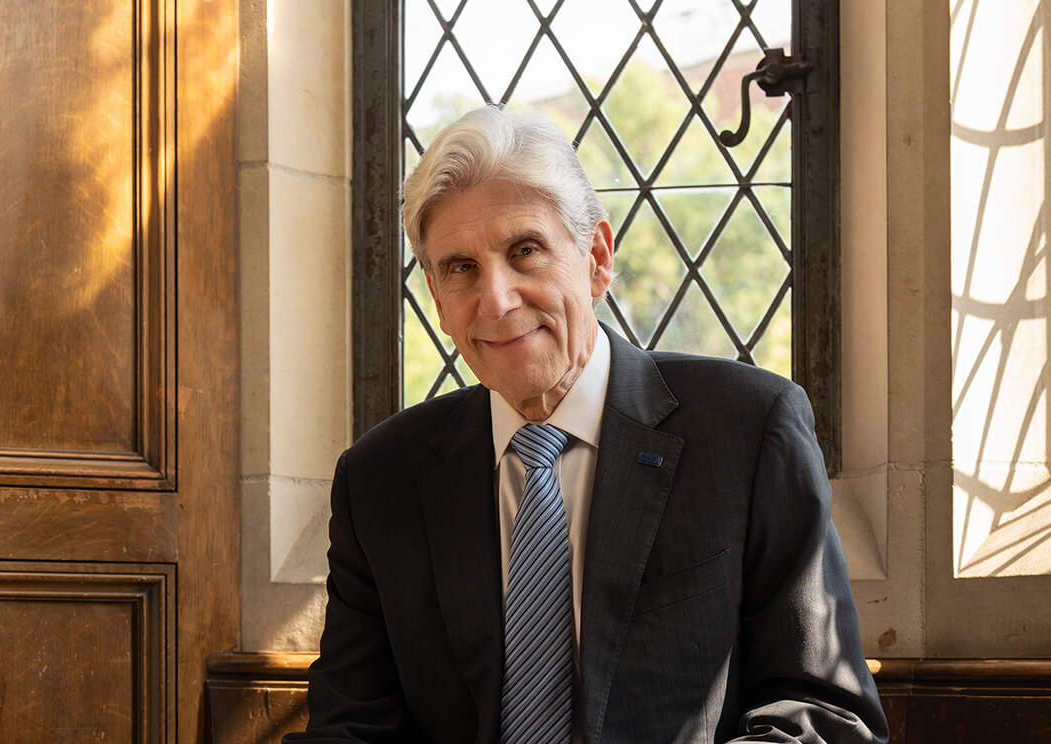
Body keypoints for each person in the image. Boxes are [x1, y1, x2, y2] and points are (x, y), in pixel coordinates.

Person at [285, 106, 888, 744]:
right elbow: (349, 726)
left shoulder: (749, 429)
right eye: (460, 268)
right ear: (437, 298)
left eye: (525, 252)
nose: (496, 300)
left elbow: (826, 714)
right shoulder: (380, 478)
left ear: (596, 257)